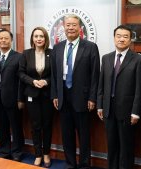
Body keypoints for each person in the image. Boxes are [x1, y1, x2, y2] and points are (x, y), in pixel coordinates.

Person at [50, 14, 100, 169]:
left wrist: (92, 98)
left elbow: (95, 75)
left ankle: (84, 164)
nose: (70, 28)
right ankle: (70, 163)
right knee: (67, 133)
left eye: (74, 25)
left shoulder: (90, 47)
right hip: (63, 95)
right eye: (68, 25)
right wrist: (55, 94)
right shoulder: (57, 47)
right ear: (63, 27)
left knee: (84, 134)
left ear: (80, 28)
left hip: (83, 97)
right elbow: (54, 74)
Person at [97, 25, 141, 169]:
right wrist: (100, 105)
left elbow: (140, 88)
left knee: (126, 147)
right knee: (111, 146)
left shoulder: (138, 59)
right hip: (108, 110)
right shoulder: (106, 58)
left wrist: (136, 111)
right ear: (114, 38)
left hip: (127, 111)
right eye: (118, 36)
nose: (121, 39)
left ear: (130, 40)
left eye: (125, 37)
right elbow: (101, 84)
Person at [0, 29, 25, 161]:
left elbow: (21, 81)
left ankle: (17, 152)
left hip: (13, 99)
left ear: (11, 40)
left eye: (6, 38)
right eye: (0, 38)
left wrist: (20, 99)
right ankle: (5, 151)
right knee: (2, 128)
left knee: (16, 128)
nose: (3, 40)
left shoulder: (19, 57)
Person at [19, 27, 54, 167]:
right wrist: (32, 81)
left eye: (41, 36)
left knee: (47, 125)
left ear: (45, 38)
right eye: (36, 36)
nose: (39, 38)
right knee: (36, 126)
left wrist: (46, 81)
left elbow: (56, 74)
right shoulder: (26, 54)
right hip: (31, 95)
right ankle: (38, 154)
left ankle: (46, 154)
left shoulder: (52, 53)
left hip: (47, 95)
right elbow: (21, 73)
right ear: (32, 38)